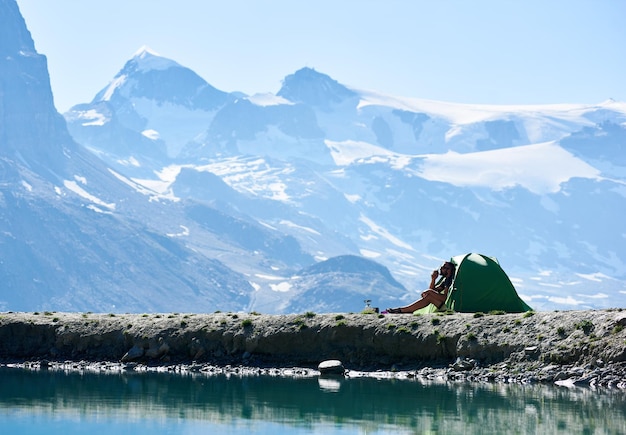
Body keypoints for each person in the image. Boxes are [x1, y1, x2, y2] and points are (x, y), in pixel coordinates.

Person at [384, 261, 456, 314]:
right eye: (442, 267)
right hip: (442, 305)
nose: (441, 269)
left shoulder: (449, 281)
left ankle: (404, 310)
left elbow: (445, 298)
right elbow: (433, 290)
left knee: (429, 295)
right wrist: (433, 279)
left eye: (444, 268)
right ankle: (404, 310)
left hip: (446, 306)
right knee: (429, 297)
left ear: (449, 270)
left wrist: (429, 292)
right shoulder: (446, 280)